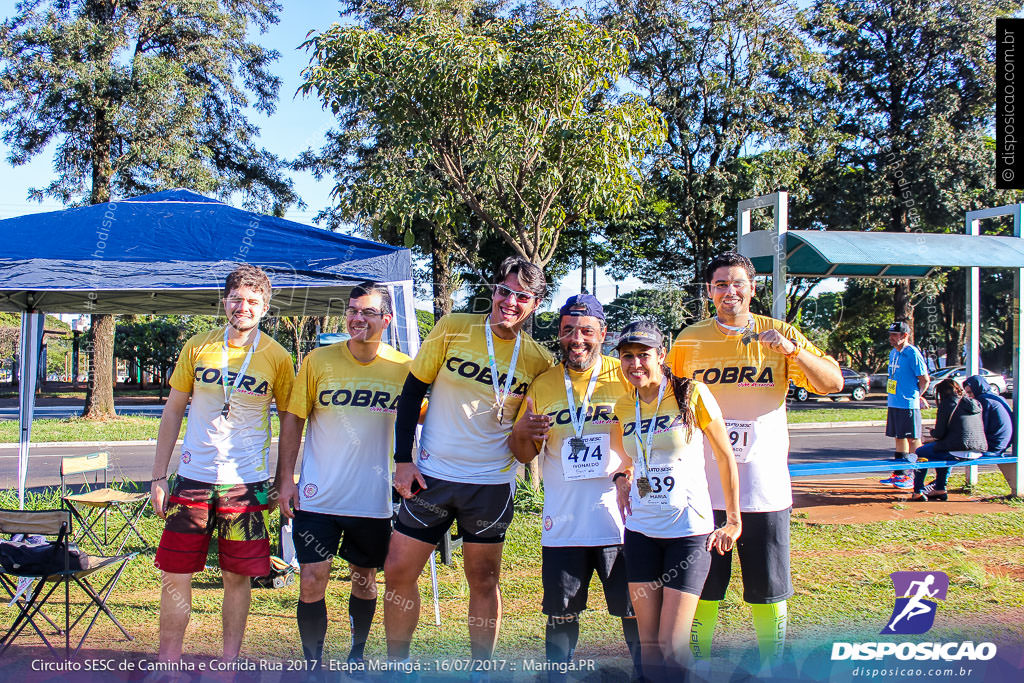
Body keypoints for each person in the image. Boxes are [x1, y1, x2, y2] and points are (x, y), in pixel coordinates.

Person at [667, 251, 842, 669]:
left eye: (738, 283)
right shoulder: (690, 340)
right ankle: (698, 664)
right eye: (721, 284)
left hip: (765, 489)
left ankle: (773, 665)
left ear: (753, 287)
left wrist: (793, 351)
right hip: (703, 487)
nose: (730, 291)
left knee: (768, 586)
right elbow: (663, 399)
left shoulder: (780, 333)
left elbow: (831, 383)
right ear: (709, 291)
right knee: (703, 584)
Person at [385, 256, 554, 669]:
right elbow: (411, 394)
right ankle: (397, 665)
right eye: (504, 291)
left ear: (535, 304)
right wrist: (403, 460)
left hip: (490, 485)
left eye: (522, 297)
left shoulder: (537, 360)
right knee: (398, 571)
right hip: (433, 478)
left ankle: (482, 670)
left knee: (484, 579)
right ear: (493, 290)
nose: (510, 302)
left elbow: (528, 429)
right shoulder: (453, 326)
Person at [150, 264, 294, 663]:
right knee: (175, 574)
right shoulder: (198, 345)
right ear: (224, 301)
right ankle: (169, 662)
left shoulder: (278, 357)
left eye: (252, 301)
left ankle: (229, 663)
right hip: (193, 479)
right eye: (236, 299)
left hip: (245, 486)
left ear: (265, 306)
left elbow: (289, 421)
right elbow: (173, 410)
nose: (243, 307)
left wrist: (285, 480)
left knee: (237, 576)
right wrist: (159, 475)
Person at [275, 282, 420, 674]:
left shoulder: (405, 369)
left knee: (365, 580)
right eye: (353, 310)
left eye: (368, 312)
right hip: (318, 497)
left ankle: (356, 654)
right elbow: (293, 419)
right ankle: (313, 663)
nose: (357, 318)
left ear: (387, 320)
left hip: (372, 499)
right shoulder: (318, 361)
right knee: (311, 579)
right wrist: (285, 479)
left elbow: (430, 417)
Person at [509, 294, 641, 681]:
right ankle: (558, 676)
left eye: (586, 330)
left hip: (622, 519)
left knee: (634, 608)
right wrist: (521, 432)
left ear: (602, 332)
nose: (576, 339)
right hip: (563, 523)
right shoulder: (544, 384)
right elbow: (521, 453)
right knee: (562, 611)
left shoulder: (627, 375)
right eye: (568, 331)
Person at [609, 320, 742, 682]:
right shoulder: (624, 404)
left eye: (643, 355)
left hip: (688, 533)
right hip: (640, 531)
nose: (635, 364)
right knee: (648, 645)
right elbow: (625, 456)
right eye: (627, 357)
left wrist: (732, 519)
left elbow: (725, 455)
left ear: (661, 355)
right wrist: (622, 476)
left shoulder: (691, 393)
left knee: (672, 645)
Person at [911, 378, 988, 501]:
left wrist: (932, 432)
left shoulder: (947, 404)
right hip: (978, 450)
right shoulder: (974, 403)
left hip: (958, 449)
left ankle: (918, 491)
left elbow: (940, 434)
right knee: (942, 452)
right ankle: (940, 488)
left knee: (921, 452)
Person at [881, 321, 930, 490]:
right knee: (898, 437)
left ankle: (915, 477)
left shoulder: (913, 353)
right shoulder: (893, 353)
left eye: (895, 335)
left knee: (913, 439)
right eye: (890, 335)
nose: (891, 338)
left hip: (908, 404)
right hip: (894, 402)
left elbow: (924, 379)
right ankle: (899, 474)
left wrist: (918, 396)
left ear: (904, 336)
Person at [964, 375, 1013, 456]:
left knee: (947, 451)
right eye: (967, 393)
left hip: (993, 446)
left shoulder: (983, 401)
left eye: (970, 392)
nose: (969, 396)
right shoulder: (996, 398)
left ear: (977, 389)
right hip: (1003, 443)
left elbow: (981, 428)